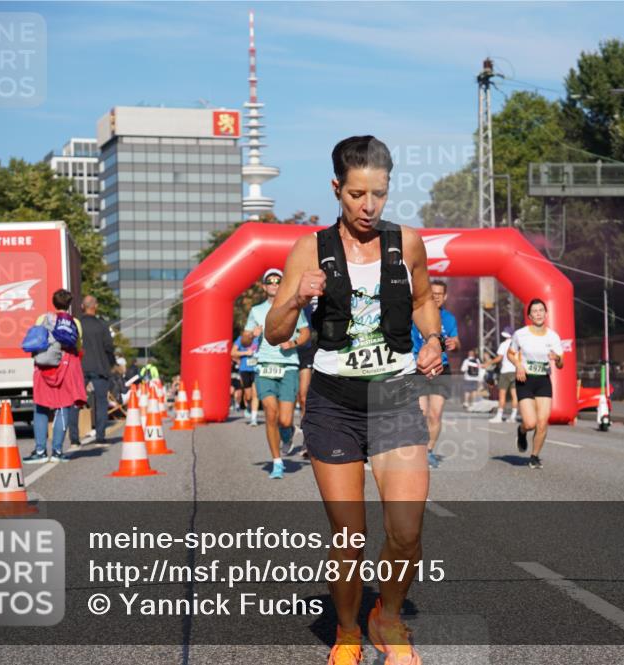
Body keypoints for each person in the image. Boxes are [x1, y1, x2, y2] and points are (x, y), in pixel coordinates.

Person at [264, 135, 442, 665]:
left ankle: (386, 616)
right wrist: (297, 296)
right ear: (336, 188)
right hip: (334, 403)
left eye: (379, 195)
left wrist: (431, 339)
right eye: (357, 194)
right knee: (350, 536)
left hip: (393, 398)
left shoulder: (406, 243)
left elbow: (423, 298)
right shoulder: (308, 249)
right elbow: (275, 333)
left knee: (406, 532)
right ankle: (346, 632)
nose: (369, 207)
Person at [246, 268, 310, 478]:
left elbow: (306, 333)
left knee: (285, 419)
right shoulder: (256, 311)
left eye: (277, 281)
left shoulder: (293, 307)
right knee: (270, 413)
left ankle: (288, 432)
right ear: (264, 286)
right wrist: (251, 334)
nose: (274, 284)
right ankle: (277, 462)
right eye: (270, 282)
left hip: (289, 366)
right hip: (264, 366)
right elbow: (245, 338)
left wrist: (293, 342)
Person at [24, 289, 87, 464]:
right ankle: (57, 451)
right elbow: (78, 345)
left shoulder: (42, 319)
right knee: (62, 407)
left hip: (44, 368)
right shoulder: (74, 323)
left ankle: (40, 451)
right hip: (65, 367)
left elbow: (35, 340)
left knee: (41, 407)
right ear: (69, 304)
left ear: (54, 303)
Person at [508, 299, 564, 469]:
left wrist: (558, 358)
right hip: (525, 380)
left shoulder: (553, 336)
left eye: (541, 310)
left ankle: (534, 456)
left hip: (543, 381)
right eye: (535, 311)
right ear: (530, 315)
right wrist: (518, 365)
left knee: (542, 422)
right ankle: (522, 431)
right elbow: (510, 354)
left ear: (546, 314)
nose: (538, 313)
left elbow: (561, 364)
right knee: (530, 423)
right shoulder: (521, 334)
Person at [411, 280, 460, 468]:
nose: (437, 296)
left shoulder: (449, 318)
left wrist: (455, 344)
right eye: (433, 293)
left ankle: (429, 450)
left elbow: (456, 340)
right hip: (419, 367)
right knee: (421, 413)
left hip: (441, 368)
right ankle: (420, 449)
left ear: (445, 297)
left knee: (435, 414)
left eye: (440, 294)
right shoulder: (416, 314)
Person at [77, 295, 116, 443]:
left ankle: (74, 437)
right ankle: (100, 436)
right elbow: (109, 348)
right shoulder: (102, 325)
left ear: (82, 306)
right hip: (100, 368)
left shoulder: (78, 324)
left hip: (81, 367)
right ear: (96, 306)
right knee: (101, 402)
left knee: (76, 401)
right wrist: (111, 365)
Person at [487, 329, 519, 423]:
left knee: (502, 395)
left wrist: (488, 363)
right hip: (515, 371)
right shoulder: (517, 345)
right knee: (514, 395)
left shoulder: (503, 344)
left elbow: (499, 358)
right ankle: (513, 416)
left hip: (505, 372)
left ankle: (499, 416)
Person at [231, 329, 260, 426]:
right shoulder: (241, 339)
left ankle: (254, 419)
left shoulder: (260, 338)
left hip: (257, 369)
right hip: (245, 369)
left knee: (256, 394)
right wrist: (245, 353)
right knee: (248, 396)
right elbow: (233, 352)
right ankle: (248, 407)